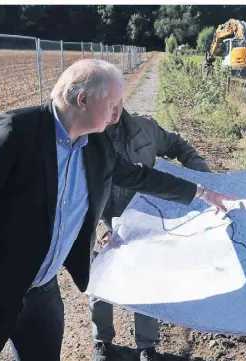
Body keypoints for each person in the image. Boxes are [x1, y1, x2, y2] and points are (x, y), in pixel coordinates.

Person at [0, 59, 232, 361]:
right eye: (113, 103)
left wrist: (201, 192)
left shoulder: (96, 147)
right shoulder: (11, 133)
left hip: (42, 293)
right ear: (83, 100)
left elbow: (141, 176)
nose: (119, 113)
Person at [90, 108, 211, 361]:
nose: (113, 108)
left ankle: (146, 347)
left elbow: (179, 146)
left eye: (118, 99)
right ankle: (102, 343)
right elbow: (81, 195)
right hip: (102, 221)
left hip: (144, 221)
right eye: (107, 101)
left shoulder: (144, 128)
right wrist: (101, 228)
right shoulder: (85, 136)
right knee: (100, 283)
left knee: (145, 283)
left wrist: (199, 175)